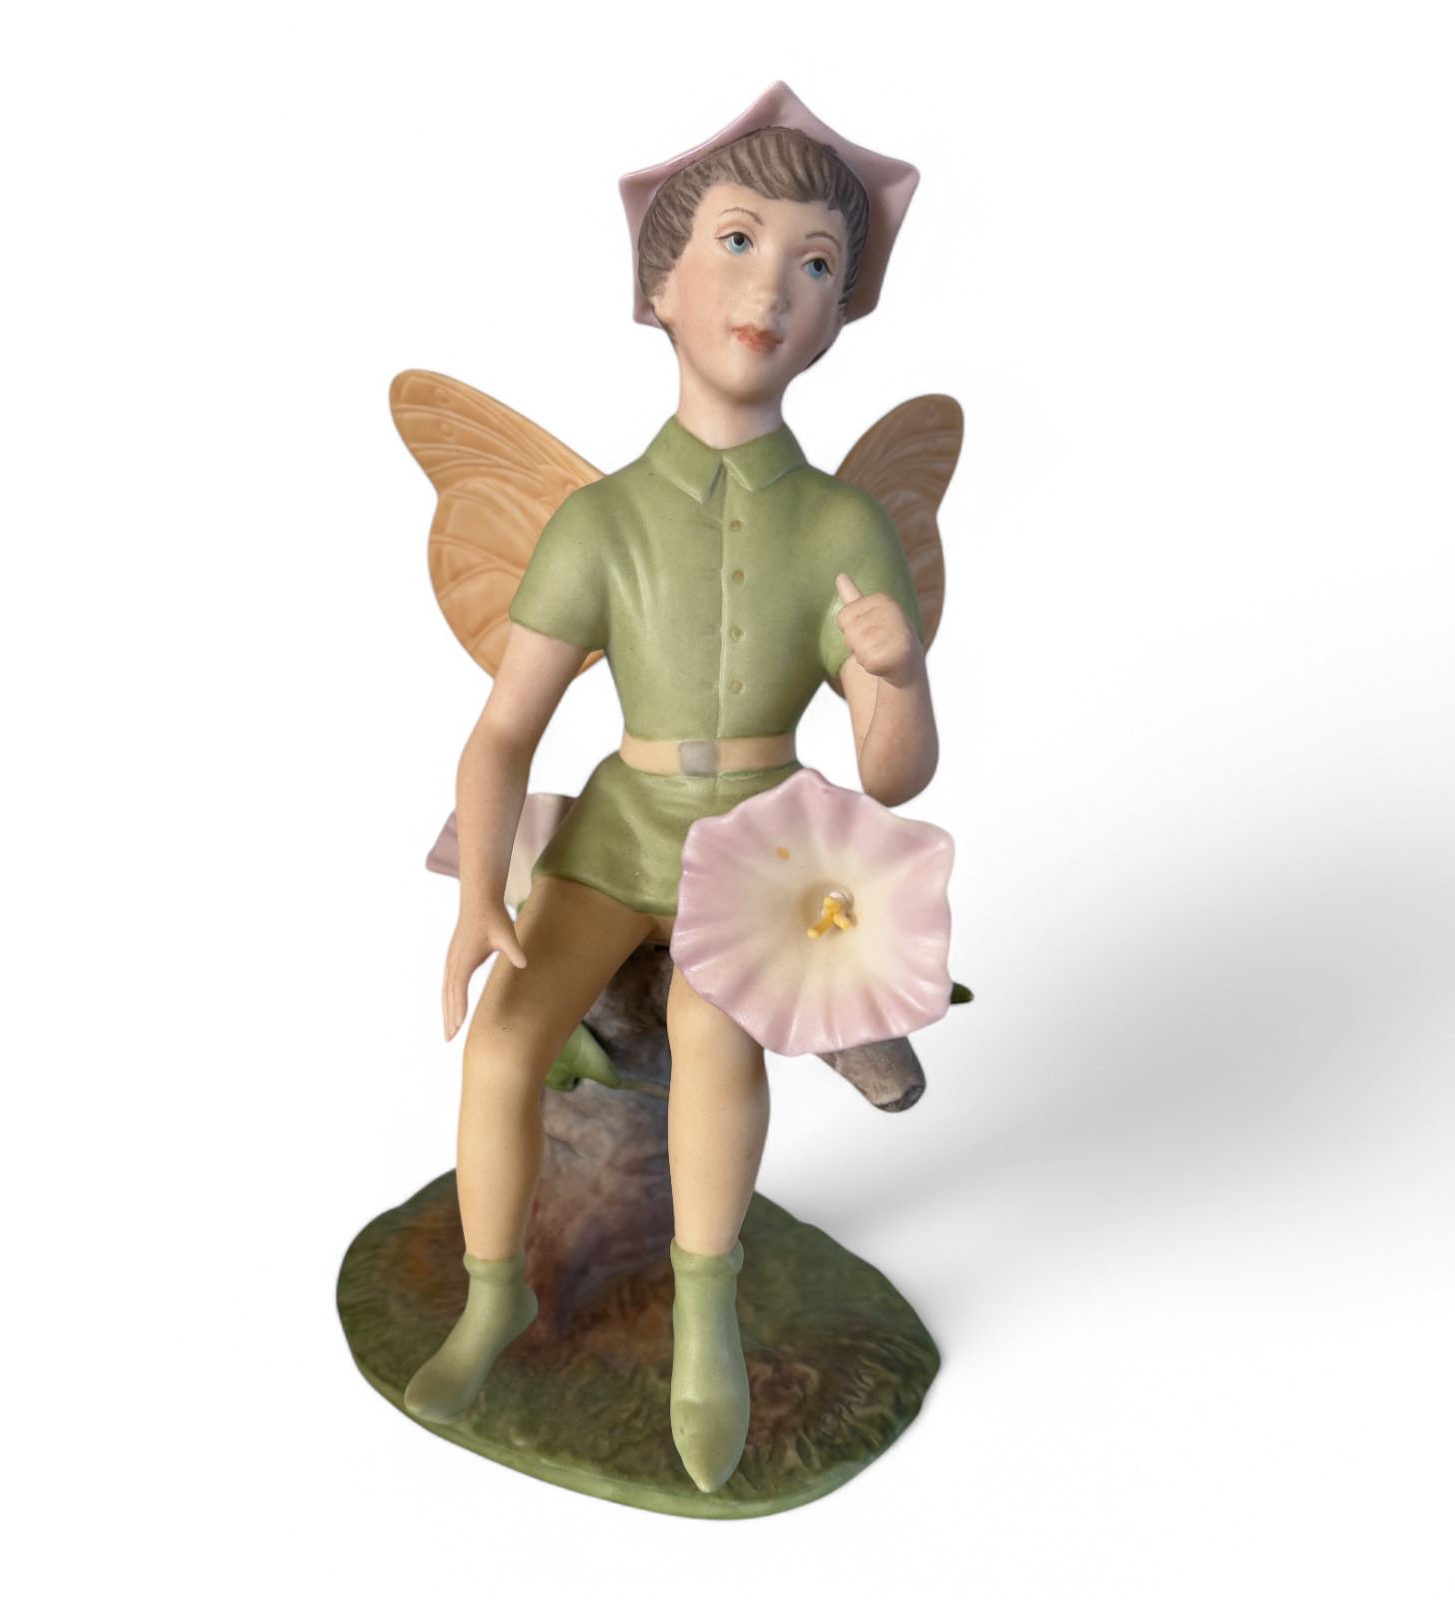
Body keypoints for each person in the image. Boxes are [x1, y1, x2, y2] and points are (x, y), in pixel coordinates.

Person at [403, 85, 939, 1494]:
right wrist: (479, 894)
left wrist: (893, 673)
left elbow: (894, 774)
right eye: (739, 243)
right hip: (619, 831)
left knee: (715, 1035)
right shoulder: (600, 522)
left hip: (766, 847)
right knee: (504, 1042)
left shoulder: (842, 524)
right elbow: (505, 727)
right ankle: (492, 1293)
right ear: (659, 286)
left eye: (816, 262)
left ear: (839, 313)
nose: (772, 289)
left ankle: (707, 1323)